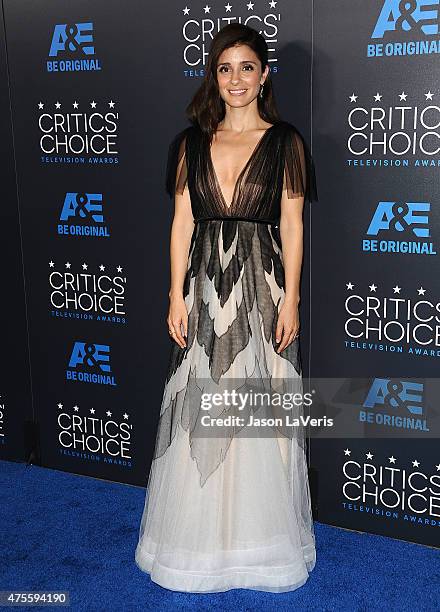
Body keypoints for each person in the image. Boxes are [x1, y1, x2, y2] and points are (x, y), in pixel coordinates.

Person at [135, 22, 318, 593]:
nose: (235, 79)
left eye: (246, 67)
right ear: (214, 77)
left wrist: (292, 296)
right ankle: (198, 541)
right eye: (224, 68)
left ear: (263, 76)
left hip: (260, 285)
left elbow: (292, 224)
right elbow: (182, 223)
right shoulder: (190, 144)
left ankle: (257, 541)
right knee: (200, 403)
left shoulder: (286, 142)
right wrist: (174, 292)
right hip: (205, 285)